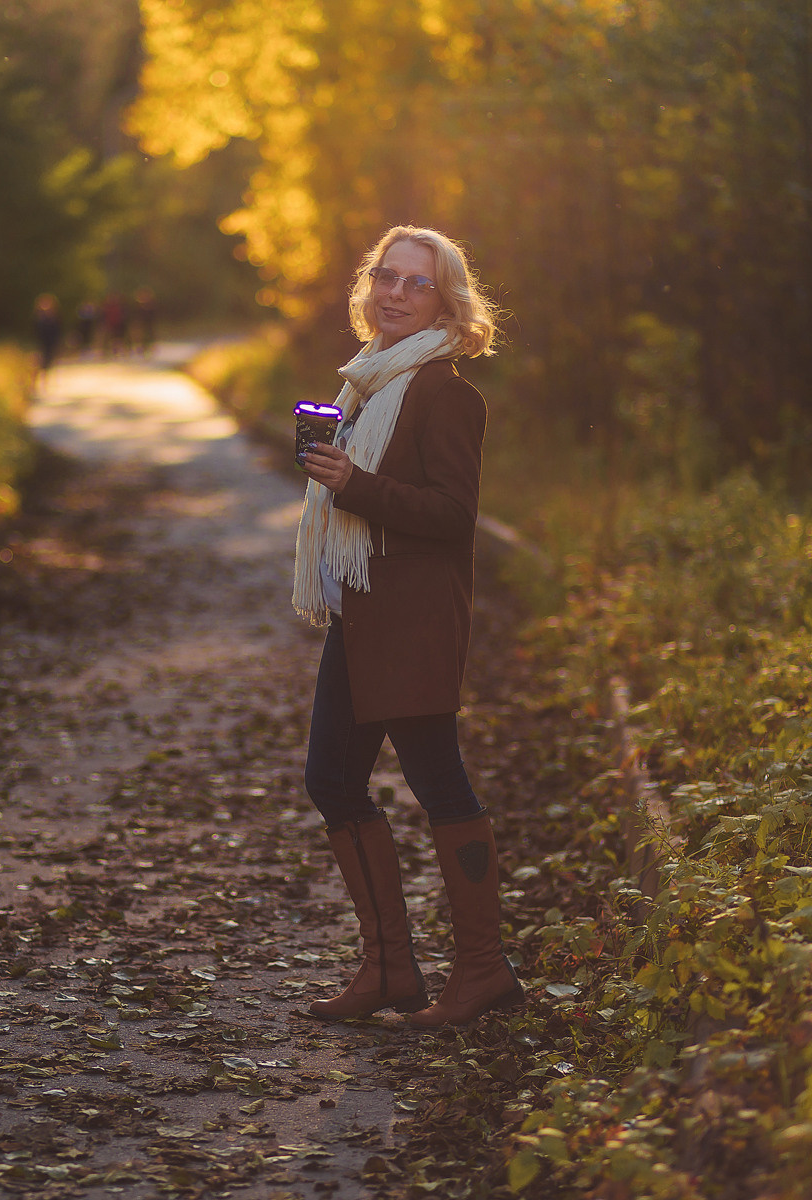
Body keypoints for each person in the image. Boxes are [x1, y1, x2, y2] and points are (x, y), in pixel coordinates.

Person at [293, 225, 523, 1028]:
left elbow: (454, 518)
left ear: (447, 303)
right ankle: (389, 968)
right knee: (331, 779)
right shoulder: (367, 386)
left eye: (416, 283)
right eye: (385, 276)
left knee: (438, 782)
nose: (394, 292)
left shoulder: (446, 391)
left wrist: (354, 484)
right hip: (364, 612)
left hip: (415, 619)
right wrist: (341, 475)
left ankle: (482, 970)